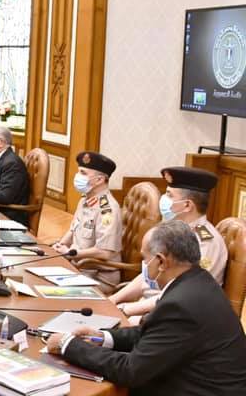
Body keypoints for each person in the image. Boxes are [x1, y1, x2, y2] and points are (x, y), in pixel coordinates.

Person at [46, 220, 246, 395]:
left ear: (161, 262)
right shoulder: (197, 280)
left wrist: (68, 345)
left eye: (144, 258)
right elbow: (152, 334)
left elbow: (130, 371)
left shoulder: (181, 304)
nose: (143, 265)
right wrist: (103, 337)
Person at [109, 166, 228, 321]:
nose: (163, 199)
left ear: (187, 205)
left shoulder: (206, 242)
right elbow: (146, 276)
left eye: (169, 195)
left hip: (176, 315)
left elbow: (183, 293)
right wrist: (113, 300)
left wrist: (128, 310)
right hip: (148, 307)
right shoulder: (169, 230)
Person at [52, 151, 123, 288]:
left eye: (83, 173)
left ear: (99, 180)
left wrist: (72, 254)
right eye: (79, 172)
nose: (78, 176)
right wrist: (60, 245)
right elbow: (73, 230)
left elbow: (105, 252)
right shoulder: (85, 200)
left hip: (98, 277)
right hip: (78, 268)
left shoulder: (107, 210)